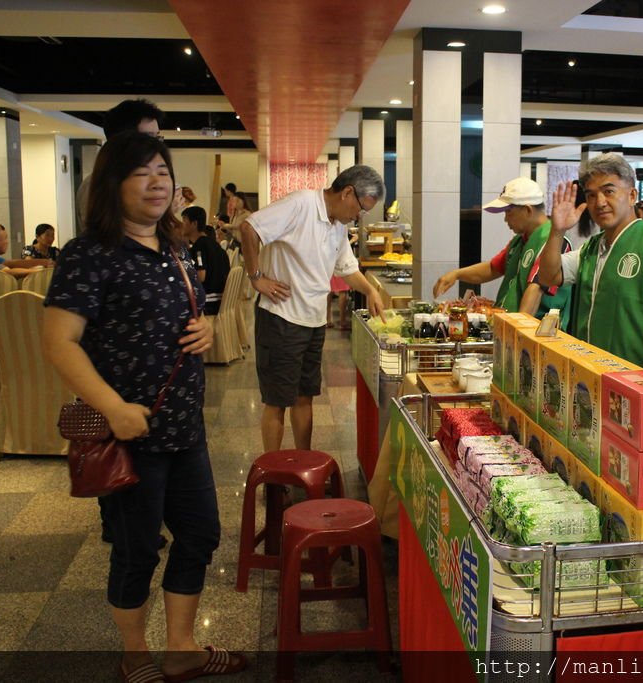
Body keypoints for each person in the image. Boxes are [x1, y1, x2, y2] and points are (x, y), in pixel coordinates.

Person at [43, 131, 245, 682]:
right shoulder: (89, 254)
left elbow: (180, 316)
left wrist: (203, 327)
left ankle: (181, 648)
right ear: (113, 183)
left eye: (163, 171)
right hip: (128, 432)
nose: (159, 182)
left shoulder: (175, 247)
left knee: (201, 534)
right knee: (136, 550)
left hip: (184, 426)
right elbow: (58, 342)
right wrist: (112, 408)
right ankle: (135, 653)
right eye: (143, 172)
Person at [238, 165, 386, 453]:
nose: (358, 218)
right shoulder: (300, 204)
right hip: (281, 317)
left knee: (305, 396)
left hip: (314, 321)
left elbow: (346, 269)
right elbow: (248, 228)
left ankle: (301, 466)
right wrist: (256, 277)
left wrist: (369, 290)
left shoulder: (338, 226)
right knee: (277, 401)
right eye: (361, 209)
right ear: (347, 193)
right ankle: (275, 476)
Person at [538, 153, 643, 369]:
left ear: (632, 195)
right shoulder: (593, 247)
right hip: (589, 373)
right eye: (591, 195)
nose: (600, 202)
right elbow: (549, 276)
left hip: (629, 377)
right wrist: (557, 230)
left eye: (609, 191)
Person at [432, 177, 572, 323]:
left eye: (508, 212)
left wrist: (517, 331)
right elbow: (493, 268)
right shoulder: (520, 241)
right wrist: (456, 274)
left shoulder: (553, 241)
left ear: (527, 210)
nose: (505, 219)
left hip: (535, 332)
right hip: (509, 326)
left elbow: (536, 290)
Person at [77, 98, 167, 226]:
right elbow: (104, 237)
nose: (155, 145)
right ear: (123, 139)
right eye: (148, 137)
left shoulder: (147, 179)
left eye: (157, 137)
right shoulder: (98, 184)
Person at [182, 206, 229, 315]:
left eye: (184, 221)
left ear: (194, 224)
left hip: (209, 302)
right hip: (221, 300)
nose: (181, 225)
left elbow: (200, 276)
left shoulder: (200, 246)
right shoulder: (214, 245)